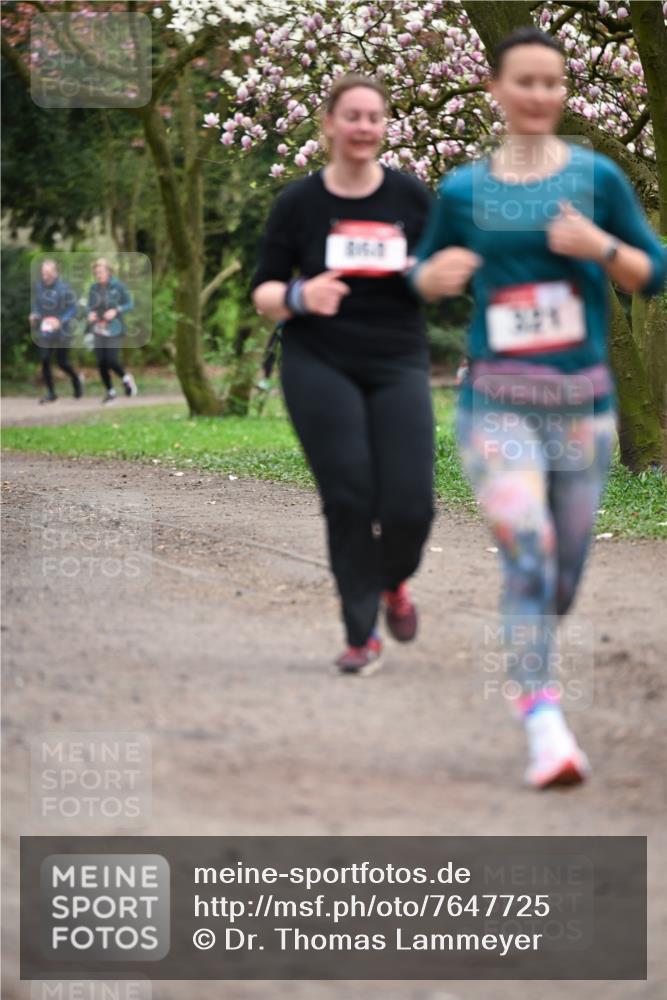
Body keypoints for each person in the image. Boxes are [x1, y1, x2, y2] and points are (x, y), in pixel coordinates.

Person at [411, 27, 667, 787]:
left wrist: (598, 248)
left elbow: (651, 273)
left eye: (552, 83)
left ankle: (535, 676)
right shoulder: (461, 189)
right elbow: (419, 274)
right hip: (495, 401)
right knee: (527, 549)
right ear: (494, 89)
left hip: (580, 406)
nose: (539, 95)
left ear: (562, 92)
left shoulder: (595, 179)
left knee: (563, 573)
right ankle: (543, 721)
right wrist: (432, 278)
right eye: (523, 81)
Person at [251, 74, 435, 675]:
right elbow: (265, 293)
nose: (363, 127)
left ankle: (392, 583)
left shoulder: (410, 198)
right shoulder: (299, 204)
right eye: (352, 116)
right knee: (349, 495)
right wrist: (303, 295)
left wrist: (423, 272)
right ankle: (362, 636)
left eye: (374, 117)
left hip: (397, 359)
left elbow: (442, 272)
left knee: (411, 505)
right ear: (329, 124)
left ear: (385, 129)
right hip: (319, 360)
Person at [29, 258, 83, 403]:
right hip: (45, 330)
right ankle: (51, 393)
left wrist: (60, 320)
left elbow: (73, 308)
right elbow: (37, 305)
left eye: (47, 273)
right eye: (43, 273)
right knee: (45, 359)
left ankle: (75, 378)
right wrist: (34, 314)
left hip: (63, 331)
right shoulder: (39, 287)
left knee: (62, 363)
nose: (44, 276)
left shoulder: (64, 288)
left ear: (55, 272)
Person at [86, 258, 137, 403]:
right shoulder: (93, 288)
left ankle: (126, 378)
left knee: (111, 359)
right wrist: (89, 314)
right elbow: (89, 306)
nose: (98, 275)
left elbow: (129, 304)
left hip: (115, 328)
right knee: (101, 362)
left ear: (108, 271)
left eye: (101, 272)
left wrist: (116, 310)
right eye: (96, 273)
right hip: (99, 328)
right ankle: (110, 392)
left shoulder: (118, 286)